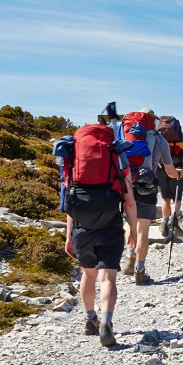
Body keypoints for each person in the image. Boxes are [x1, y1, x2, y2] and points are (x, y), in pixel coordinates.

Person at [63, 132, 138, 348]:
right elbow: (130, 203)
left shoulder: (74, 169)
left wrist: (69, 236)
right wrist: (132, 228)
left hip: (81, 229)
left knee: (88, 274)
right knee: (108, 279)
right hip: (110, 228)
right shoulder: (118, 164)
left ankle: (89, 319)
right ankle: (106, 323)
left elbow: (69, 206)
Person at [122, 109, 181, 284]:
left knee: (128, 223)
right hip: (147, 185)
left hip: (126, 184)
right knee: (143, 231)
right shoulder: (159, 140)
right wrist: (178, 174)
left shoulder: (125, 134)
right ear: (154, 121)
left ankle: (129, 255)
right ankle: (140, 271)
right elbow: (170, 171)